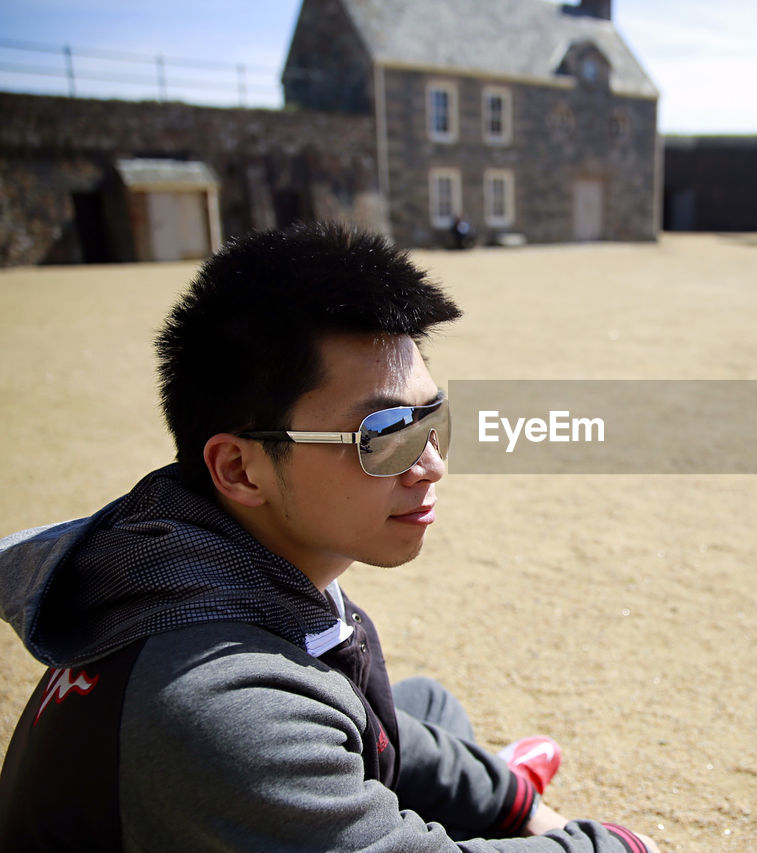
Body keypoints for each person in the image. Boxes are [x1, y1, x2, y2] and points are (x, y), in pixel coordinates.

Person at [0, 223, 658, 852]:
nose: (432, 463)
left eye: (434, 419)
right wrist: (617, 843)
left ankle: (454, 791)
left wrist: (512, 803)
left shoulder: (194, 542)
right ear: (239, 468)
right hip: (221, 767)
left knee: (422, 706)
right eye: (384, 434)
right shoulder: (223, 708)